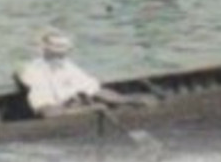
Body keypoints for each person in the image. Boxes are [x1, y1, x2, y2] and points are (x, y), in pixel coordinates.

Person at [17, 30, 150, 117]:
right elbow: (47, 113)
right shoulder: (34, 72)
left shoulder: (66, 65)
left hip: (76, 107)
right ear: (44, 50)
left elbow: (95, 90)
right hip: (62, 116)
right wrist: (89, 110)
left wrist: (129, 100)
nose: (62, 55)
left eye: (64, 51)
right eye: (56, 51)